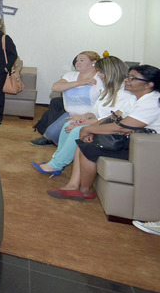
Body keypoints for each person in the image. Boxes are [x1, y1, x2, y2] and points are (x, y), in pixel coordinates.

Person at [48, 64, 160, 201]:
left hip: (145, 150)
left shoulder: (152, 102)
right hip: (128, 140)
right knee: (83, 142)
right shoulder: (134, 98)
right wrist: (91, 128)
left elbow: (123, 127)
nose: (126, 80)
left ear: (149, 84)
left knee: (90, 148)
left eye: (132, 78)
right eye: (128, 76)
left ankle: (85, 191)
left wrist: (88, 129)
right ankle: (74, 186)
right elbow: (114, 116)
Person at [32, 56, 131, 176]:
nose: (99, 75)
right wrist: (83, 117)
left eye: (101, 72)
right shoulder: (109, 90)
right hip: (97, 122)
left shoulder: (125, 94)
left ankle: (56, 165)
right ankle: (55, 160)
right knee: (68, 124)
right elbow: (96, 109)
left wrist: (83, 123)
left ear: (110, 73)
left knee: (76, 130)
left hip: (108, 128)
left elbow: (112, 118)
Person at [30, 51, 102, 146]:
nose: (77, 63)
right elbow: (55, 87)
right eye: (77, 61)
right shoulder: (71, 75)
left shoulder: (100, 79)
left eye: (82, 60)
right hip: (70, 114)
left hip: (90, 117)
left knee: (72, 140)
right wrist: (80, 82)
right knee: (51, 134)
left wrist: (84, 118)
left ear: (94, 62)